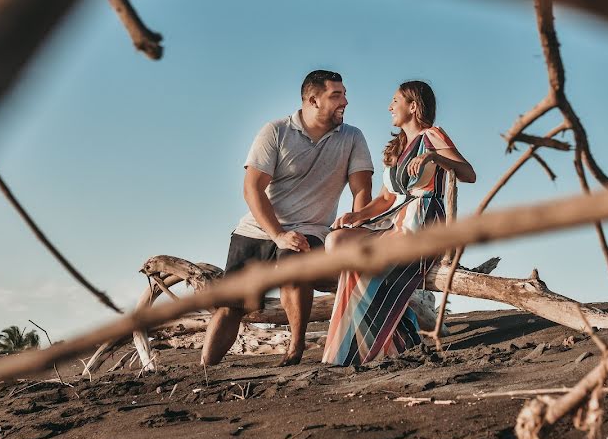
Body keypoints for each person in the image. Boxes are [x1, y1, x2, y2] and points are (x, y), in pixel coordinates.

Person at [202, 70, 374, 367]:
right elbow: (252, 188)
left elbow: (362, 189)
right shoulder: (276, 131)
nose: (345, 101)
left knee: (294, 264)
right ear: (312, 100)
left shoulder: (352, 137)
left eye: (344, 94)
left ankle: (296, 348)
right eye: (336, 96)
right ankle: (205, 368)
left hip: (311, 228)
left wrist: (356, 225)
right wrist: (278, 233)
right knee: (231, 305)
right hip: (258, 228)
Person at [321, 80, 475, 366]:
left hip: (424, 219)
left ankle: (388, 340)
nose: (390, 106)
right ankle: (399, 328)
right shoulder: (399, 147)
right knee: (337, 241)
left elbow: (469, 173)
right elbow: (384, 199)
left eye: (395, 100)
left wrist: (434, 156)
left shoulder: (432, 135)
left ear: (413, 106)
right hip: (396, 219)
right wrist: (355, 216)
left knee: (365, 263)